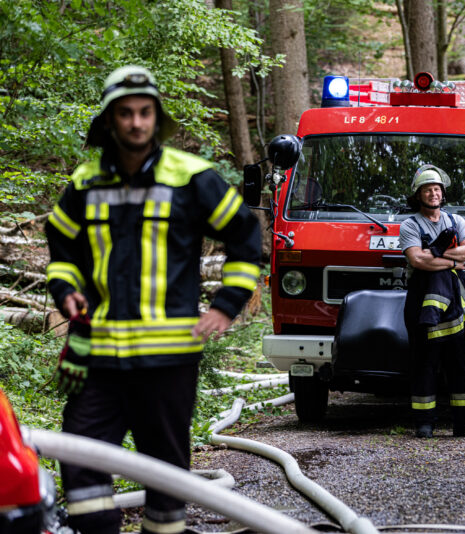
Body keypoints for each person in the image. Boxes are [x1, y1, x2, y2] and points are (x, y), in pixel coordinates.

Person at [45, 65, 261, 534]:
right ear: (110, 120)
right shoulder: (84, 183)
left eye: (145, 112)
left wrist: (226, 304)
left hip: (168, 359)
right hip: (97, 356)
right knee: (79, 458)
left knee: (166, 471)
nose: (136, 122)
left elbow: (245, 235)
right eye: (126, 113)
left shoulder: (192, 177)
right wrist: (65, 289)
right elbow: (61, 246)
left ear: (157, 119)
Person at [399, 165, 465, 439]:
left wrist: (436, 254)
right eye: (427, 190)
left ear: (442, 193)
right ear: (418, 195)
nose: (433, 194)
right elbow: (417, 259)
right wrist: (453, 262)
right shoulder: (410, 225)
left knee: (459, 365)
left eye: (436, 189)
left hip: (454, 304)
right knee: (423, 365)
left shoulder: (455, 220)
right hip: (420, 302)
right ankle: (424, 423)